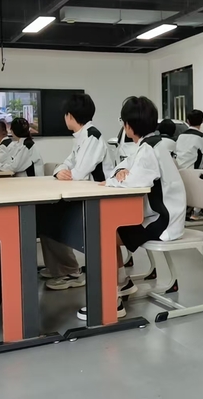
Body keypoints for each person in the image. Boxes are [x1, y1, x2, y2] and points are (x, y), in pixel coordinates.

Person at [75, 96, 185, 321]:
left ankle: (111, 301)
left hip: (162, 221)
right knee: (108, 230)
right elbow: (122, 168)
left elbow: (134, 181)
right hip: (160, 215)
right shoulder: (148, 145)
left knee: (104, 234)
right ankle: (121, 283)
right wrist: (119, 174)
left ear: (128, 125)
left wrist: (115, 179)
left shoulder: (148, 149)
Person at [40, 94, 114, 290]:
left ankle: (71, 272)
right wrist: (59, 171)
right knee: (45, 218)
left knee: (51, 220)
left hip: (97, 201)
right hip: (83, 196)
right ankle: (60, 268)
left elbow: (79, 173)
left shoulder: (92, 137)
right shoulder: (81, 137)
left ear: (70, 116)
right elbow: (66, 164)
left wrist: (65, 172)